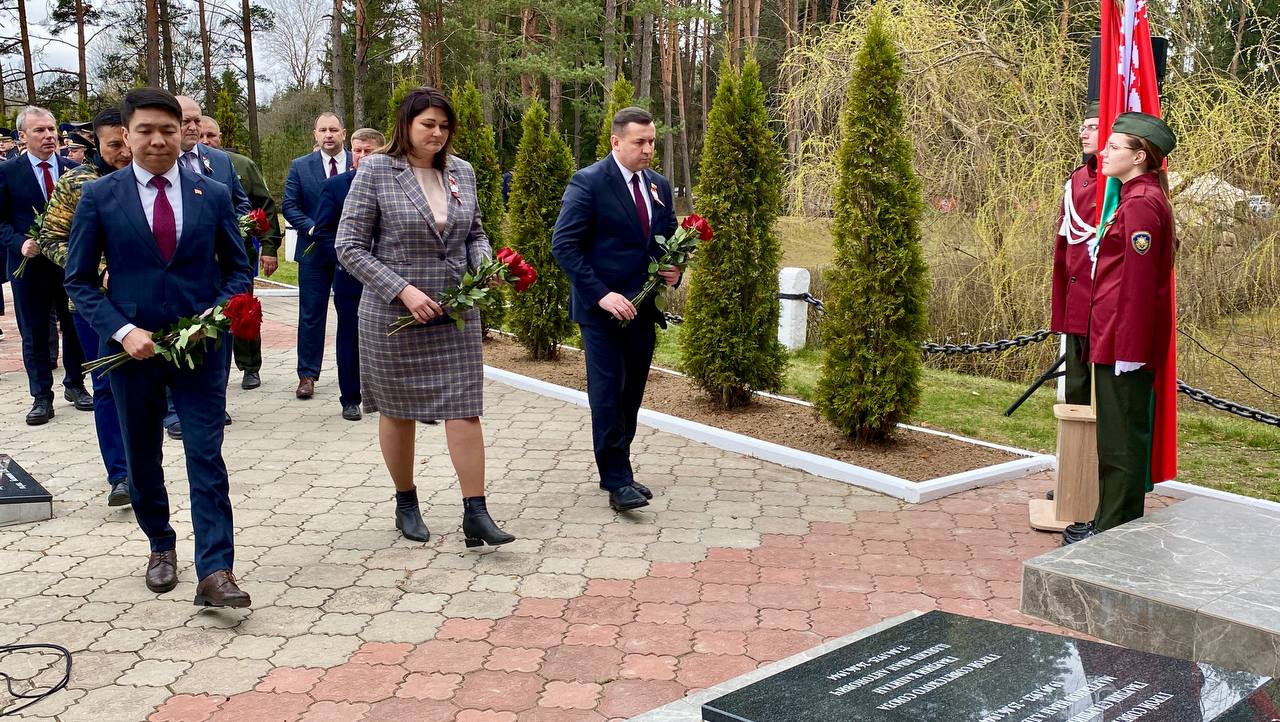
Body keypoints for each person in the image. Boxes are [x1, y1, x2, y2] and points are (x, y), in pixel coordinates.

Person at [65, 88, 254, 607]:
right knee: (143, 455)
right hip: (132, 355)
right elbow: (78, 280)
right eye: (145, 130)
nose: (158, 140)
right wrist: (123, 330)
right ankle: (161, 546)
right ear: (126, 136)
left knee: (205, 455)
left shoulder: (211, 194)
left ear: (183, 134)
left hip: (201, 353)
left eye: (168, 130)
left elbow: (237, 269)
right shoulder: (100, 198)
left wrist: (215, 318)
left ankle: (216, 570)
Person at [336, 87, 513, 547]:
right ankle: (406, 501)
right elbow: (348, 247)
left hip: (456, 311)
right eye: (427, 124)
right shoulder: (377, 169)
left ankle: (476, 513)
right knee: (397, 412)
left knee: (465, 408)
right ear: (406, 126)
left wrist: (485, 266)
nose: (437, 132)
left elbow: (474, 233)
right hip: (394, 315)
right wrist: (403, 290)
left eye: (443, 125)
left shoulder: (462, 171)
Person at [551, 107, 679, 512]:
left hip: (642, 309)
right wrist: (601, 294)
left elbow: (666, 239)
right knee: (607, 395)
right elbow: (564, 246)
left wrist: (673, 268)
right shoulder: (589, 183)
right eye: (639, 142)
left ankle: (620, 465)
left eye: (652, 141)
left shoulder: (657, 185)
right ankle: (617, 479)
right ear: (616, 142)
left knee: (631, 395)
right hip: (602, 311)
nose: (647, 149)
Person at [37, 108, 135, 508]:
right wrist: (98, 267)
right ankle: (121, 476)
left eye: (128, 142)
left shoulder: (153, 179)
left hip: (146, 302)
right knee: (108, 388)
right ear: (96, 142)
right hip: (93, 306)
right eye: (114, 145)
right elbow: (50, 237)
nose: (125, 153)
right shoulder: (76, 183)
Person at [1089, 111, 1177, 533]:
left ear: (1140, 156)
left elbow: (1139, 286)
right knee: (1116, 440)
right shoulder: (1135, 196)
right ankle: (1110, 524)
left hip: (1123, 343)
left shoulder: (1141, 204)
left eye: (1115, 147)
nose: (1104, 152)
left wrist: (1129, 350)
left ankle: (1112, 533)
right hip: (1114, 337)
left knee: (1121, 444)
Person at [0, 105, 90, 425]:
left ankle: (76, 385)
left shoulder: (73, 170)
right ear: (23, 136)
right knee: (35, 332)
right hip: (30, 265)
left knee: (74, 327)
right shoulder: (8, 172)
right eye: (40, 130)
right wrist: (18, 242)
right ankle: (41, 396)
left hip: (69, 265)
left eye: (51, 129)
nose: (49, 135)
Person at [199, 115, 283, 390]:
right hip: (198, 260)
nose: (206, 141)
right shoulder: (177, 165)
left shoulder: (239, 165)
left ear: (220, 137)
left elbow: (264, 207)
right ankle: (209, 374)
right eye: (201, 136)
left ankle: (249, 366)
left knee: (242, 310)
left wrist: (269, 247)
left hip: (237, 254)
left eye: (211, 135)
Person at [308, 127, 382, 421]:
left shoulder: (393, 183)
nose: (361, 156)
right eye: (358, 150)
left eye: (368, 151)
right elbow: (323, 233)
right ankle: (350, 397)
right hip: (350, 275)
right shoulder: (336, 187)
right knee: (350, 335)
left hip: (389, 276)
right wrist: (345, 260)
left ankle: (385, 392)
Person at [283, 112, 352, 401]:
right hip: (312, 252)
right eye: (322, 130)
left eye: (333, 129)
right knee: (311, 314)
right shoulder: (301, 166)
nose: (328, 135)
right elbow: (289, 204)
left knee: (352, 315)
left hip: (351, 252)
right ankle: (307, 375)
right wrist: (312, 228)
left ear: (344, 133)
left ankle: (354, 376)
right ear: (314, 134)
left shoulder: (358, 163)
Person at [1051, 101, 1100, 405]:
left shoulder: (1118, 184)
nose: (1084, 133)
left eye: (1093, 127)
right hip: (1078, 292)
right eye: (1083, 127)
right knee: (1076, 389)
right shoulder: (1078, 179)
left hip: (1104, 298)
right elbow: (1065, 243)